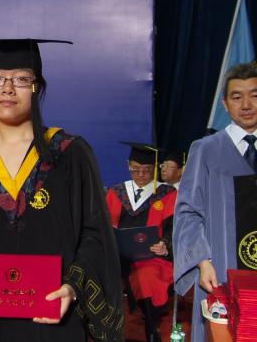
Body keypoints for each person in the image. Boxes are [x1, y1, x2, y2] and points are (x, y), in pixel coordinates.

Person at [0, 39, 124, 342]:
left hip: (55, 320)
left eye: (21, 79)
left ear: (37, 88)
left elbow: (95, 233)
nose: (7, 89)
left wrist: (73, 286)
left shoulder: (68, 153)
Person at [173, 62, 257, 342]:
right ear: (225, 104)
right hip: (221, 269)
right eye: (237, 97)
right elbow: (188, 212)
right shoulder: (206, 150)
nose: (246, 104)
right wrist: (202, 261)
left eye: (254, 95)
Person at [106, 142, 176, 342]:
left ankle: (152, 328)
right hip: (116, 256)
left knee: (147, 276)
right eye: (135, 169)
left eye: (146, 170)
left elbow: (174, 227)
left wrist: (165, 244)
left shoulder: (167, 194)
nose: (141, 175)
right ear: (128, 165)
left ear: (155, 168)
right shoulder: (116, 192)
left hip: (151, 257)